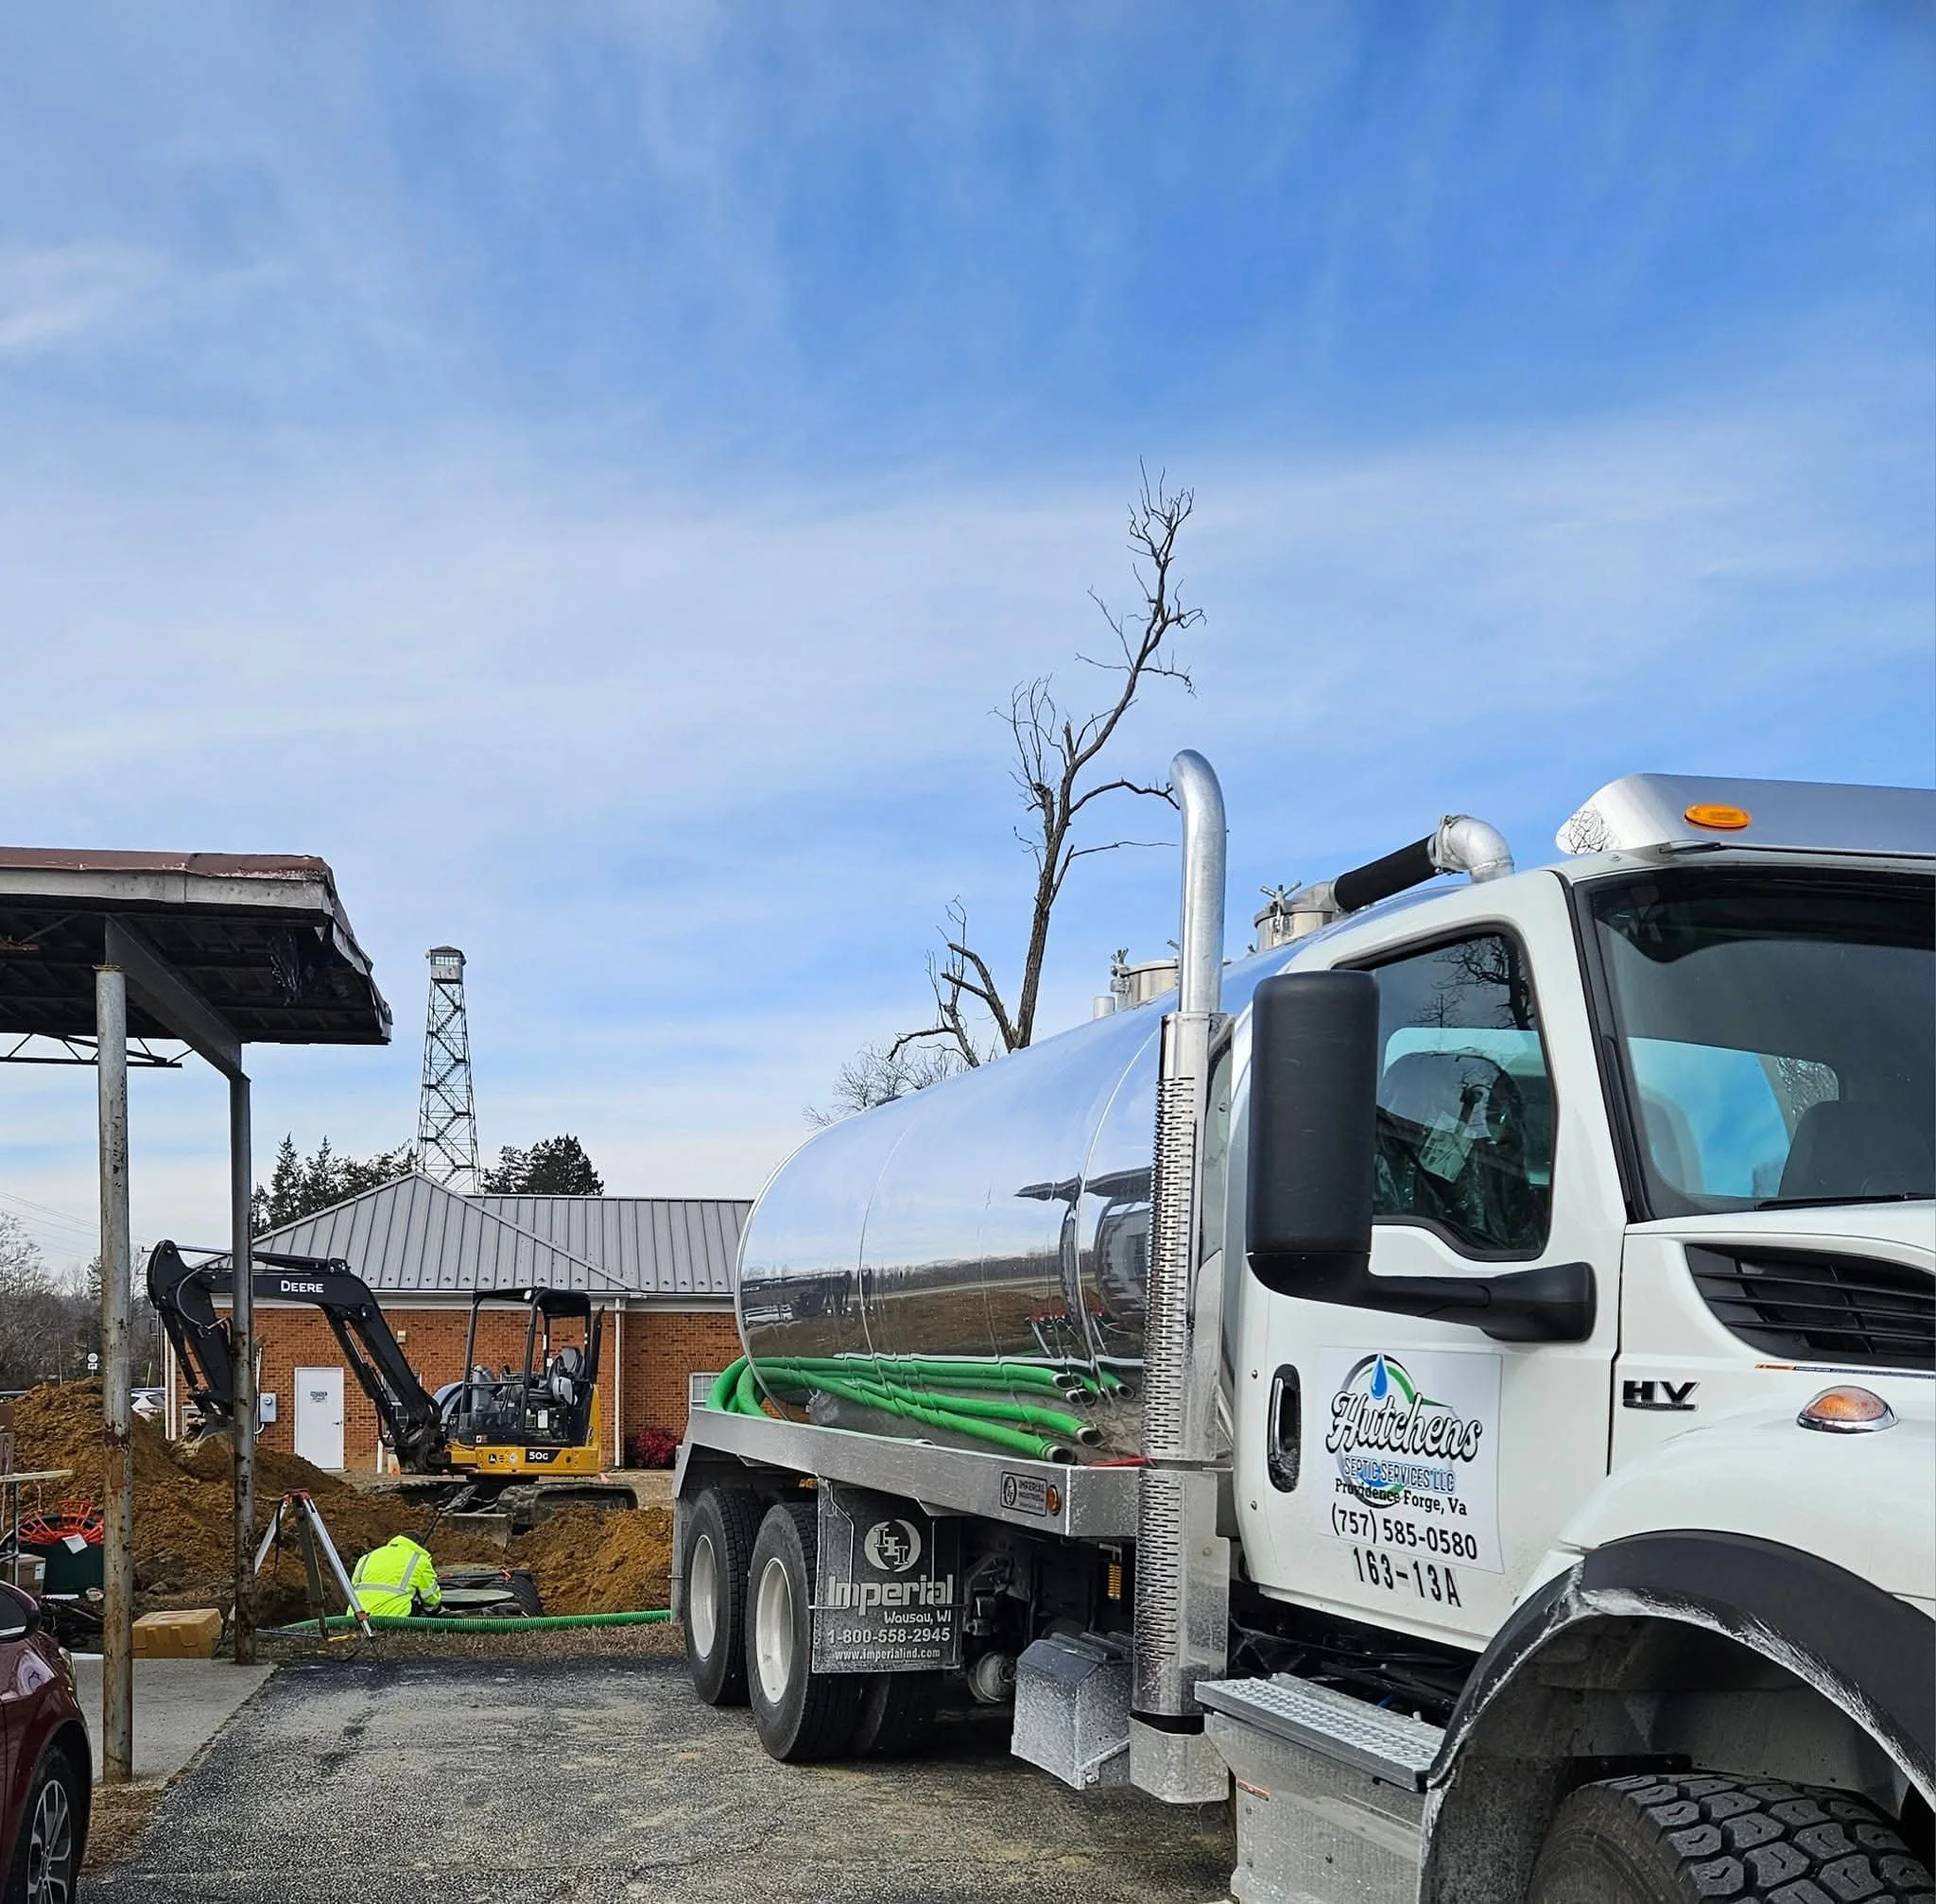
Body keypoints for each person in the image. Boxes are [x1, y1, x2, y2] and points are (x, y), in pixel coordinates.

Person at [349, 1534, 442, 1618]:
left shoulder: (367, 1557)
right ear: (418, 1546)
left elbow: (352, 1588)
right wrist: (433, 1610)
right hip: (393, 1617)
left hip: (356, 1617)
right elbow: (431, 1598)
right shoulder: (419, 1560)